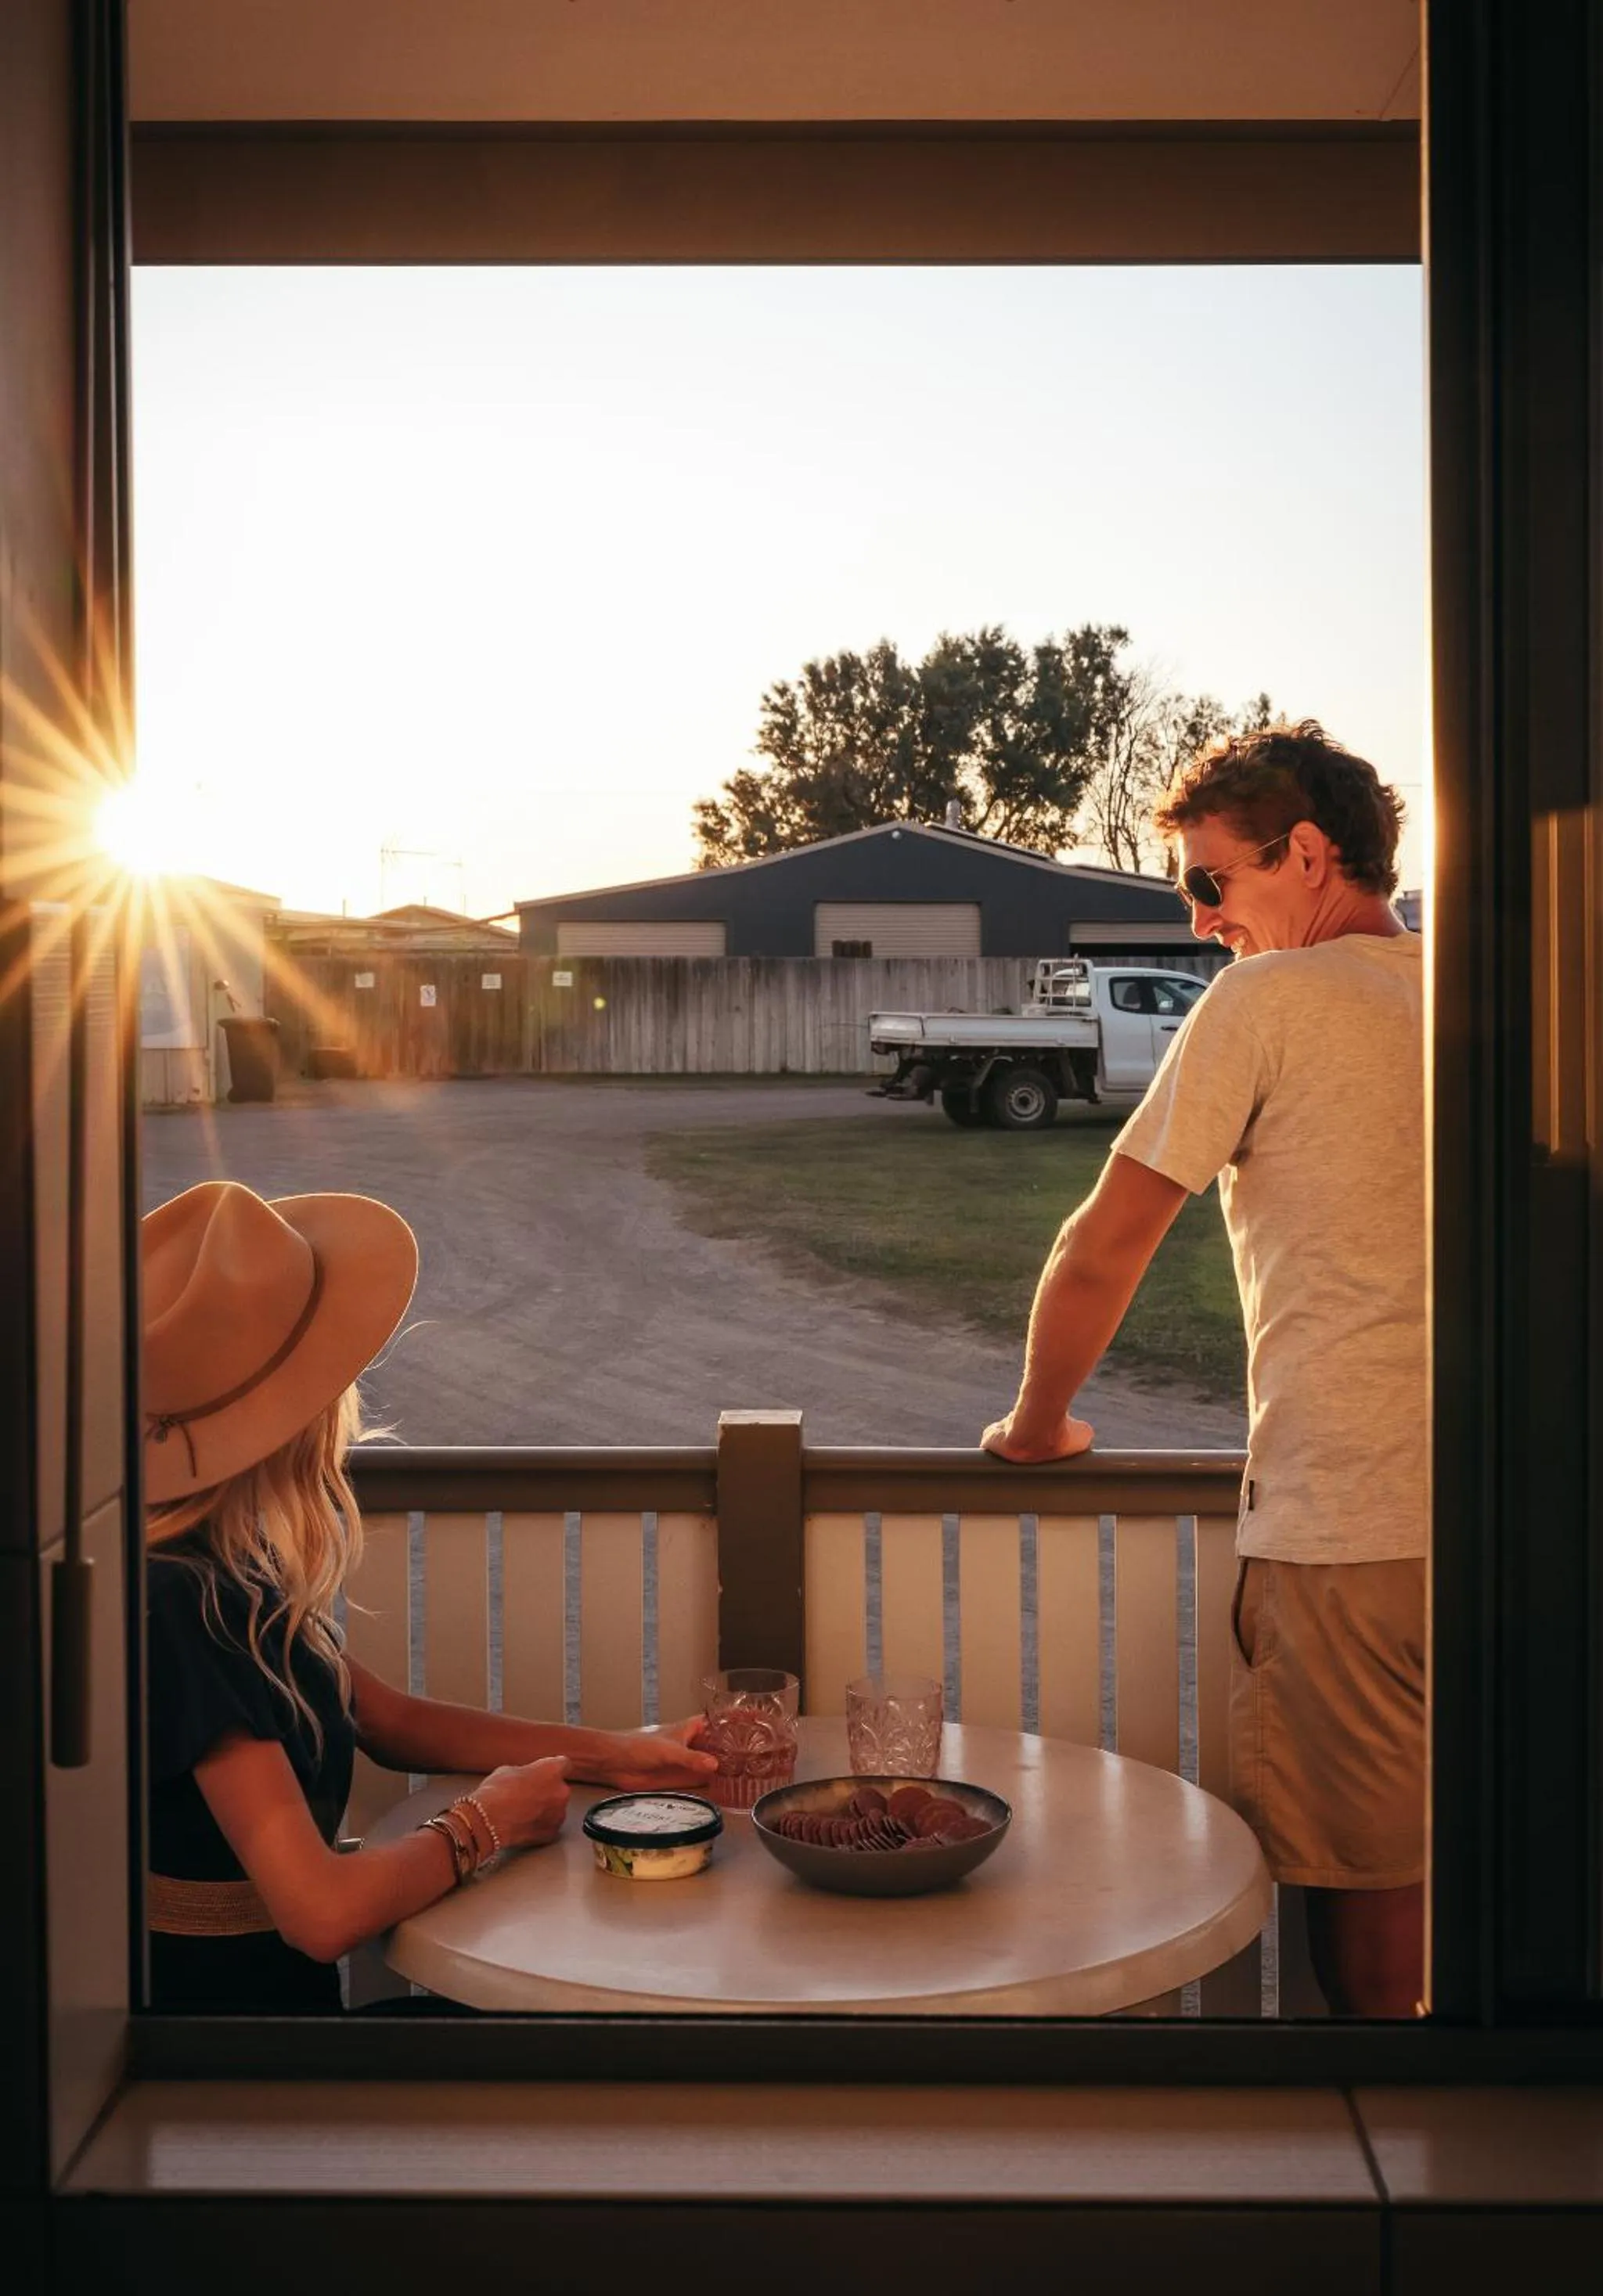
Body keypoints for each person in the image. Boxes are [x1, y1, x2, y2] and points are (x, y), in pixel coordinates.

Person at [982, 722, 1425, 2018]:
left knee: (1372, 1891)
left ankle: (1387, 2158)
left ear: (1303, 853)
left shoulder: (1265, 1001)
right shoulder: (1489, 985)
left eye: (1209, 882)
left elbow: (1104, 1241)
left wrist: (1034, 1422)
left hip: (1347, 1522)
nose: (1197, 917)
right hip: (1522, 1509)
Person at [142, 1179, 719, 2013]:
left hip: (253, 2032)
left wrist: (616, 1753)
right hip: (229, 2065)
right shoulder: (180, 1605)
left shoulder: (220, 1561)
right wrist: (483, 1825)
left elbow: (388, 1720)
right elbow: (321, 1914)